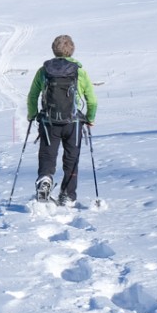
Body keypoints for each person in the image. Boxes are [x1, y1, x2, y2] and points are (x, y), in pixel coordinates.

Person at [26, 34, 98, 206]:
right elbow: (92, 100)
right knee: (71, 160)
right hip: (73, 123)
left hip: (49, 123)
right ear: (71, 50)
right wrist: (90, 118)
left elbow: (32, 96)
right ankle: (68, 195)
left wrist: (32, 115)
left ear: (53, 49)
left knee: (47, 156)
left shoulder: (44, 71)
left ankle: (45, 180)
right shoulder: (79, 71)